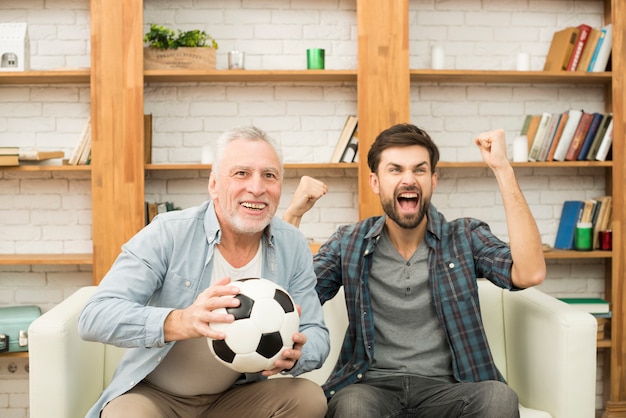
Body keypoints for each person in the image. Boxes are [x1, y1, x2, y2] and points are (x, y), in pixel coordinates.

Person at [283, 123, 546, 418]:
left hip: (449, 390)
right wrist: (293, 214)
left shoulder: (464, 236)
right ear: (375, 182)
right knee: (351, 405)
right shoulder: (350, 241)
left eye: (419, 170)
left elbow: (529, 273)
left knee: (499, 397)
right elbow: (290, 301)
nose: (408, 179)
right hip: (371, 388)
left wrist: (502, 169)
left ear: (433, 180)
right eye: (395, 170)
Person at [78, 126, 330, 418]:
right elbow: (94, 316)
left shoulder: (293, 244)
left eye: (269, 176)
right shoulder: (168, 233)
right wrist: (180, 321)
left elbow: (317, 333)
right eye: (241, 174)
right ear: (213, 184)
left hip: (236, 398)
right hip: (154, 396)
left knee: (308, 398)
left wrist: (298, 354)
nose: (257, 188)